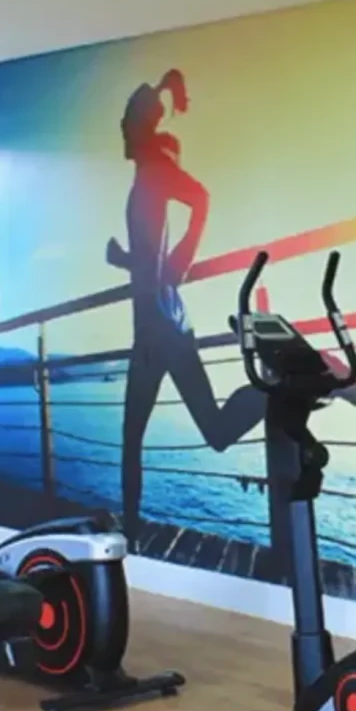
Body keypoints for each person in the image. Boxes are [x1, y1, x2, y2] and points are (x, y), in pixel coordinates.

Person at [106, 69, 265, 545]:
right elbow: (150, 256)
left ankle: (275, 389)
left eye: (126, 125)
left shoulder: (155, 169)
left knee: (195, 432)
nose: (122, 133)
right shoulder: (145, 175)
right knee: (152, 434)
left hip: (163, 328)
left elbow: (201, 198)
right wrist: (124, 260)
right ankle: (131, 529)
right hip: (156, 327)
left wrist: (184, 256)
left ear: (138, 126)